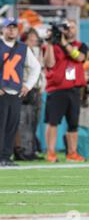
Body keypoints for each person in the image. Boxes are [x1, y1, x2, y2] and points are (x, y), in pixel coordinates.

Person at [43, 20, 87, 163]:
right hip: (57, 89)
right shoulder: (53, 46)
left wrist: (64, 43)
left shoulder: (81, 46)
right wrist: (50, 43)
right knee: (52, 122)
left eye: (72, 27)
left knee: (73, 123)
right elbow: (49, 63)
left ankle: (72, 153)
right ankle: (50, 152)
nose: (69, 30)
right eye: (66, 28)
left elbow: (79, 57)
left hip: (74, 89)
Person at [0, 18, 40, 166]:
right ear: (2, 30)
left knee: (11, 126)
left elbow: (36, 67)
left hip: (15, 93)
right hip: (1, 92)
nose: (11, 30)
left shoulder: (23, 48)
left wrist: (28, 85)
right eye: (8, 27)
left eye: (14, 28)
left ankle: (5, 157)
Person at [14, 28, 45, 161]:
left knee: (33, 122)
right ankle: (21, 151)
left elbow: (44, 67)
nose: (34, 40)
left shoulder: (38, 51)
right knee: (22, 122)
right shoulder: (20, 50)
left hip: (37, 89)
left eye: (35, 38)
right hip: (25, 89)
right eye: (31, 38)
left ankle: (31, 150)